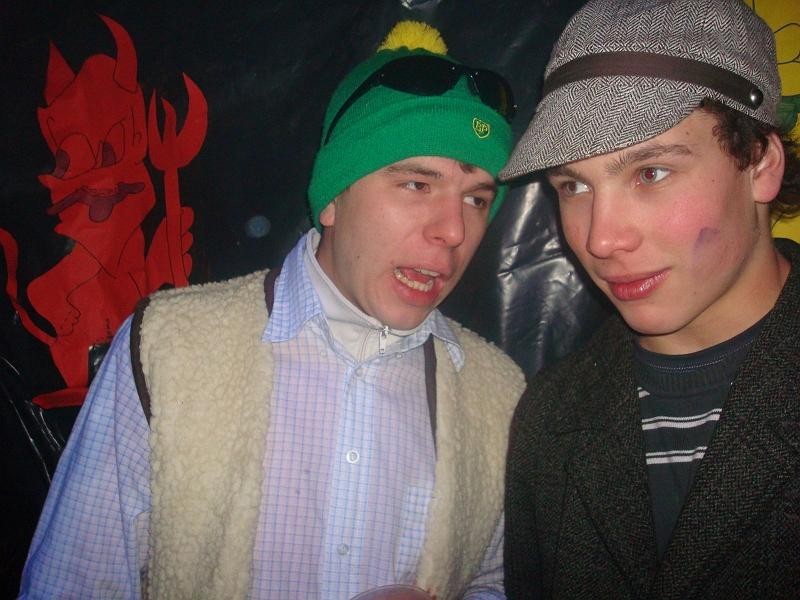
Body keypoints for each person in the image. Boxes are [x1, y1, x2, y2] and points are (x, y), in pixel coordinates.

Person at [19, 20, 525, 600]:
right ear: (333, 198)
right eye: (417, 184)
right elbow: (73, 584)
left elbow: (495, 578)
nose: (454, 231)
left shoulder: (498, 394)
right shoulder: (167, 349)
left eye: (477, 198)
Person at [500, 0, 800, 598]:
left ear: (760, 163)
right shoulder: (549, 417)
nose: (600, 239)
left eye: (650, 173)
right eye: (573, 185)